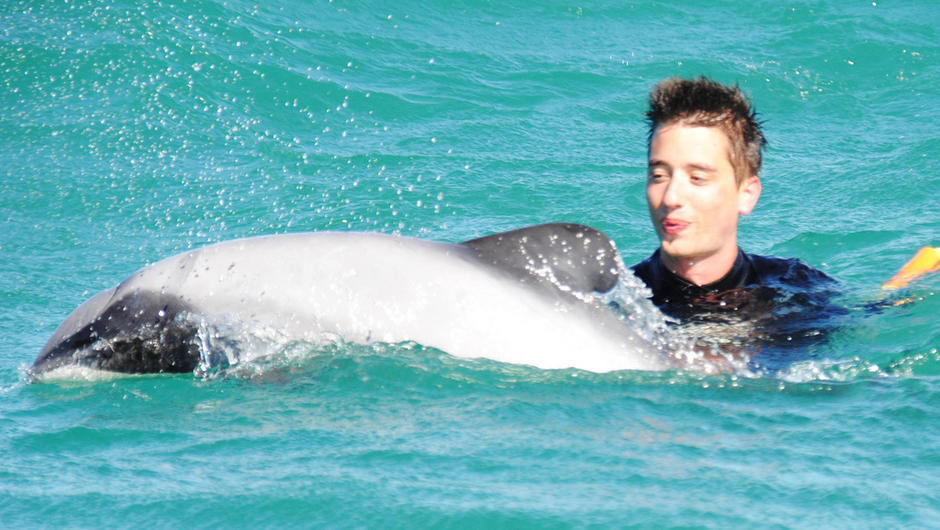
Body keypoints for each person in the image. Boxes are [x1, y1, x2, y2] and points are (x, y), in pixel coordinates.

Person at [630, 77, 841, 364]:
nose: (671, 197)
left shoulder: (796, 291)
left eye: (697, 178)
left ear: (746, 194)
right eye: (659, 176)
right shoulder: (620, 298)